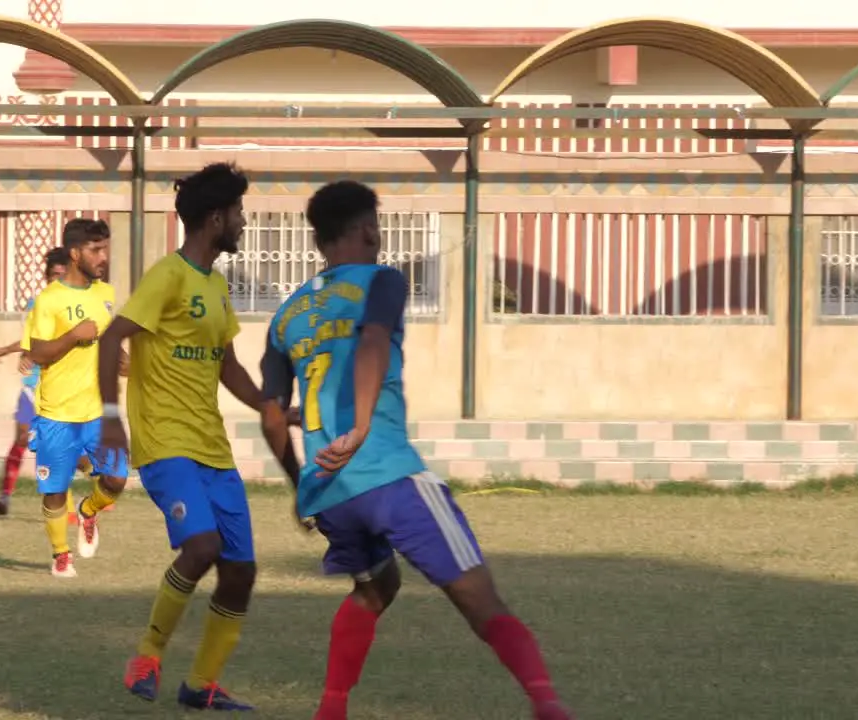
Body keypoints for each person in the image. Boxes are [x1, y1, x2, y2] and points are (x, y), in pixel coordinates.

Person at [258, 181, 572, 720]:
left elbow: (270, 416)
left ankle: (331, 709)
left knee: (376, 589)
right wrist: (357, 431)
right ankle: (547, 704)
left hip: (331, 494)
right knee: (480, 598)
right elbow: (373, 344)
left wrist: (299, 487)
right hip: (387, 474)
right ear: (367, 230)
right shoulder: (382, 281)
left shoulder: (287, 315)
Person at [98, 162, 268, 711]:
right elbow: (111, 339)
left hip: (212, 448)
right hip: (165, 443)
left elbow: (228, 367)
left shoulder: (217, 287)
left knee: (240, 572)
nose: (244, 221)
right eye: (239, 212)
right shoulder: (166, 276)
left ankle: (201, 685)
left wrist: (269, 406)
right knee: (202, 547)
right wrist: (109, 417)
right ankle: (145, 657)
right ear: (216, 217)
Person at [21, 218, 128, 578]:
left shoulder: (107, 295)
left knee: (115, 480)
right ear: (74, 253)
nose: (103, 256)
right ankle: (60, 554)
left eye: (105, 248)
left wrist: (124, 362)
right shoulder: (48, 301)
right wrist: (72, 336)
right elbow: (37, 353)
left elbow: (108, 342)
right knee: (54, 490)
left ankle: (88, 511)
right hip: (57, 414)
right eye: (95, 250)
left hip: (99, 412)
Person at [0, 247, 69, 517]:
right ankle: (5, 496)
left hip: (58, 389)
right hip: (31, 386)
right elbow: (33, 338)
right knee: (22, 437)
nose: (56, 281)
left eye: (61, 275)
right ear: (46, 278)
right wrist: (14, 350)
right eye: (52, 276)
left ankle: (71, 504)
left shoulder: (74, 310)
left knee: (58, 449)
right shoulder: (36, 305)